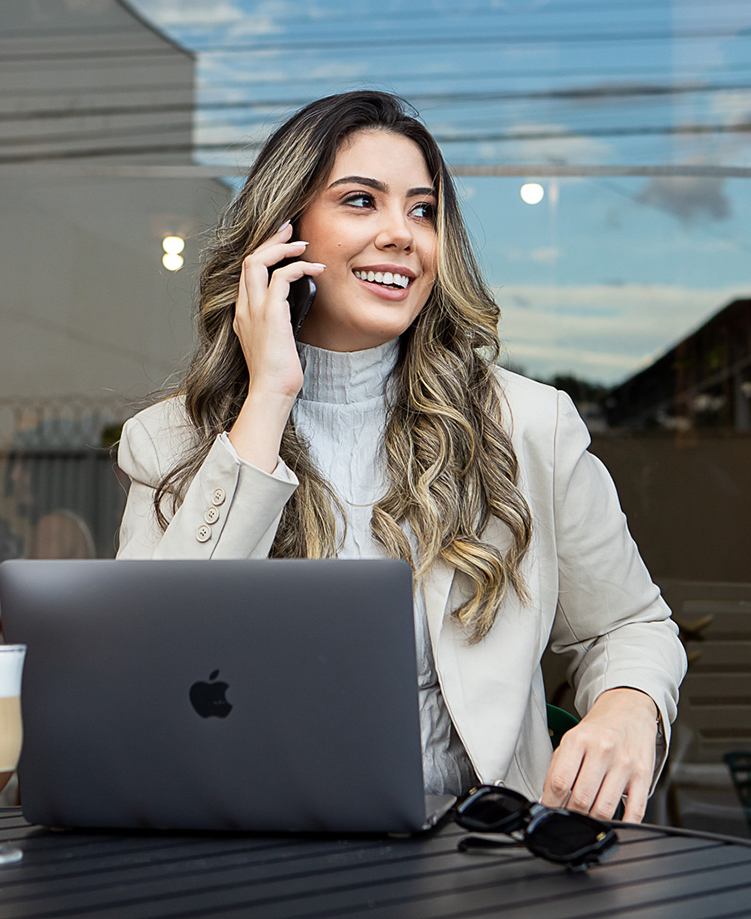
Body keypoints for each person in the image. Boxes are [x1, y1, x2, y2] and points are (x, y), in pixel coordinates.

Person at [115, 91, 686, 822]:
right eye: (360, 201)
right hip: (243, 851)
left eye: (422, 210)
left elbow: (628, 625)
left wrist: (628, 708)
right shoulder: (167, 441)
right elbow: (152, 671)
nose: (402, 234)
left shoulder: (530, 425)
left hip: (476, 860)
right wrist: (268, 399)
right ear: (283, 232)